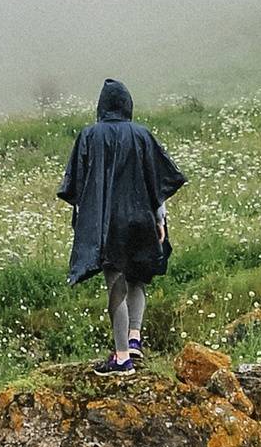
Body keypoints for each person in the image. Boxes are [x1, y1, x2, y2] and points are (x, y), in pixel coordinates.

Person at [58, 79, 186, 375]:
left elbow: (77, 187)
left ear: (101, 105)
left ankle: (121, 358)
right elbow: (158, 182)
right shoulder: (142, 135)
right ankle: (135, 340)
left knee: (115, 282)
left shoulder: (89, 136)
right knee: (137, 275)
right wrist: (159, 219)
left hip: (107, 224)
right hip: (140, 217)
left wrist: (85, 225)